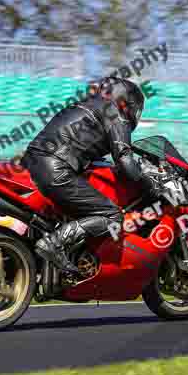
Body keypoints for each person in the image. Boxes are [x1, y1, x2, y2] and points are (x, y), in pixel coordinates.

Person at [21, 77, 162, 274]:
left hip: (34, 163)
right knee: (113, 216)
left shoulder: (84, 105)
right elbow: (123, 158)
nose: (135, 112)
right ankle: (55, 242)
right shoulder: (115, 114)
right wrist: (148, 182)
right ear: (127, 102)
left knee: (60, 216)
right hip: (57, 167)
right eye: (136, 107)